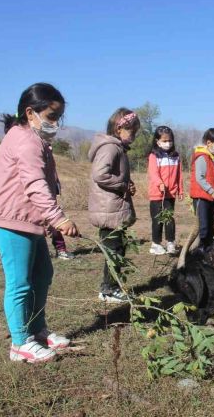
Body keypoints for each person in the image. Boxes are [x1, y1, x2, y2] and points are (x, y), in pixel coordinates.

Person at [0, 82, 79, 363]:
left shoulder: (35, 140)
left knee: (42, 276)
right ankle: (19, 343)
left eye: (58, 118)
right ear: (30, 112)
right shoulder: (25, 141)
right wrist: (59, 218)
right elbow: (36, 185)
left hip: (28, 221)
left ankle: (37, 330)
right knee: (20, 283)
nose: (55, 124)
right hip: (10, 222)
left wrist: (48, 219)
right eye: (51, 117)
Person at [88, 108, 139, 303]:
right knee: (113, 251)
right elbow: (101, 174)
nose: (133, 136)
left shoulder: (118, 148)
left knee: (118, 249)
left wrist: (128, 183)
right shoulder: (110, 148)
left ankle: (112, 287)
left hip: (114, 209)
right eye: (131, 131)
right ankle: (108, 290)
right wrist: (123, 185)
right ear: (118, 129)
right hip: (109, 209)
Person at [147, 126, 184, 256]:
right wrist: (159, 183)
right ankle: (156, 244)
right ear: (157, 141)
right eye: (164, 140)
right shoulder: (154, 156)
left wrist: (180, 190)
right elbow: (153, 173)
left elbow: (179, 174)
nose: (168, 143)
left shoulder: (176, 156)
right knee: (158, 220)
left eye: (170, 140)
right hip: (157, 194)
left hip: (170, 194)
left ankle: (170, 243)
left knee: (169, 219)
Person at [190, 128, 214, 253]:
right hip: (202, 197)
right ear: (209, 143)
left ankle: (209, 246)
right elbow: (200, 178)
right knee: (203, 225)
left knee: (211, 223)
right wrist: (212, 191)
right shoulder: (202, 157)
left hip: (212, 197)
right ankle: (200, 249)